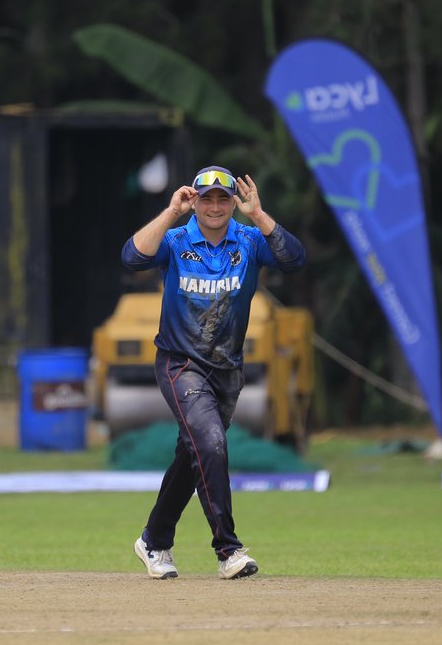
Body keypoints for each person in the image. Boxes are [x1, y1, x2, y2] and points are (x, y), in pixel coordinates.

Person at [122, 166, 306, 580]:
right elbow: (132, 257)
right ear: (196, 202)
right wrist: (171, 213)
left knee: (194, 454)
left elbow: (295, 260)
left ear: (232, 203)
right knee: (211, 443)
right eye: (208, 199)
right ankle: (228, 549)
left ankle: (154, 540)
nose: (217, 206)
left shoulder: (249, 240)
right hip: (179, 363)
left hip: (226, 369)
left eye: (224, 199)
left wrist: (258, 215)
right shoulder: (176, 239)